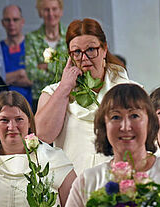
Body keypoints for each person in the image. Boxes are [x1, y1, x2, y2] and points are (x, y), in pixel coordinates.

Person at [35, 18, 131, 175]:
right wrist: (64, 88)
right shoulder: (53, 93)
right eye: (77, 52)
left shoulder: (129, 90)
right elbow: (43, 135)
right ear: (69, 55)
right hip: (72, 185)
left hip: (118, 181)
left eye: (91, 49)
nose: (84, 58)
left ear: (104, 49)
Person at [24, 0, 68, 105]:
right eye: (46, 10)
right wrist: (61, 70)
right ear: (40, 13)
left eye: (54, 9)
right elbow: (31, 73)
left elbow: (73, 69)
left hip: (66, 96)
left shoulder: (70, 36)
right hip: (40, 99)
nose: (51, 14)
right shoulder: (31, 38)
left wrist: (47, 67)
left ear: (61, 11)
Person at [0, 5, 33, 107]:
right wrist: (20, 73)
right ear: (2, 23)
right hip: (3, 105)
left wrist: (8, 79)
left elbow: (34, 80)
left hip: (28, 105)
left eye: (15, 19)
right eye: (7, 20)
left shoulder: (32, 46)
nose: (11, 24)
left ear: (22, 21)